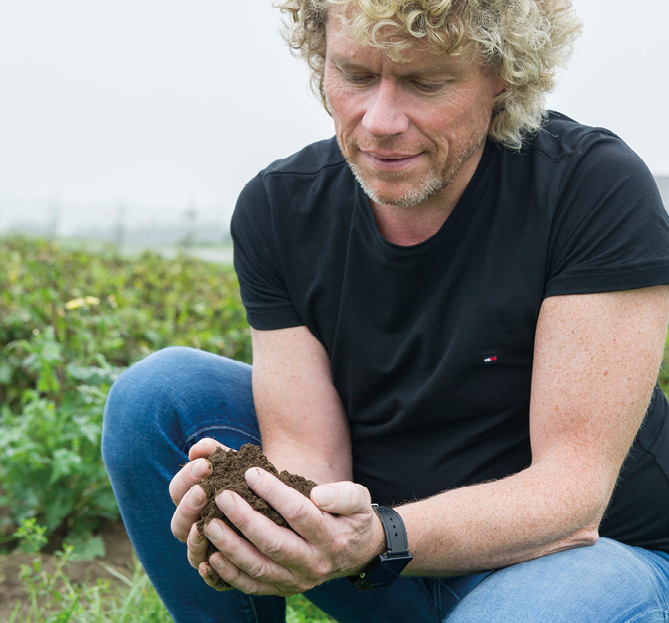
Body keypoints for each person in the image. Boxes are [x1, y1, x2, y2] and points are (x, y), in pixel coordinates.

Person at [102, 0, 669, 621]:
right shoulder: (279, 209)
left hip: (584, 561)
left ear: (503, 75)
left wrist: (379, 537)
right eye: (356, 75)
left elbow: (571, 497)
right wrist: (258, 512)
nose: (379, 120)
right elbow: (307, 452)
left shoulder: (591, 188)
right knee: (158, 396)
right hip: (385, 558)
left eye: (426, 82)